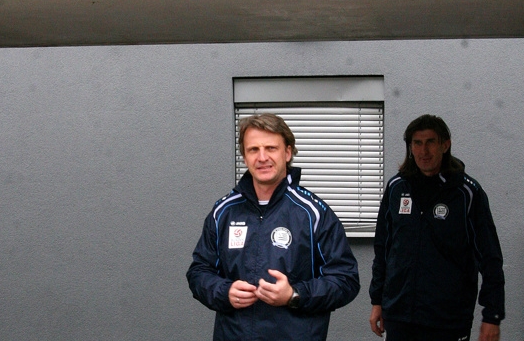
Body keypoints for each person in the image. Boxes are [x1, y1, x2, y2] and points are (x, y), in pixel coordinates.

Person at [187, 113, 360, 341]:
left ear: (287, 152)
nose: (262, 157)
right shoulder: (223, 212)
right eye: (253, 149)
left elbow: (346, 279)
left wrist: (294, 295)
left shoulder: (314, 213)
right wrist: (224, 292)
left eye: (271, 148)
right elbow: (199, 272)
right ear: (244, 156)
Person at [369, 114, 505, 341]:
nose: (424, 151)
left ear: (445, 144)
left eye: (431, 142)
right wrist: (377, 301)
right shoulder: (396, 188)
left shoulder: (466, 193)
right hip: (400, 315)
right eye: (417, 143)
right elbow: (383, 249)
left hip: (448, 319)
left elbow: (490, 257)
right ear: (410, 147)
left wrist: (492, 315)